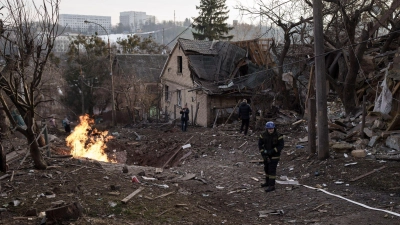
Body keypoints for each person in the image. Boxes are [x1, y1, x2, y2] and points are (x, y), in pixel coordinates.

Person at [258, 121, 284, 192]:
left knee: (271, 170)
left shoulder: (278, 135)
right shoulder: (263, 135)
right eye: (269, 129)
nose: (271, 130)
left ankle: (272, 185)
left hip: (275, 156)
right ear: (267, 129)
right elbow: (260, 145)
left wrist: (273, 151)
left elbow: (281, 145)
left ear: (274, 128)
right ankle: (267, 182)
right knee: (266, 169)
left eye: (272, 128)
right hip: (266, 155)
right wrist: (263, 153)